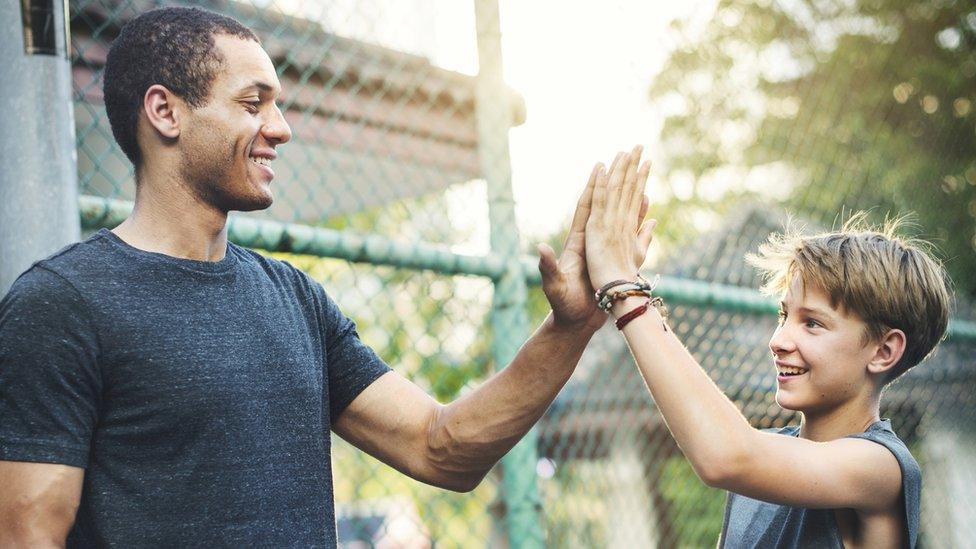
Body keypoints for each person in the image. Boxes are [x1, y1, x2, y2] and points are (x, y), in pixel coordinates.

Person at [0, 7, 647, 546]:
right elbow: (30, 532)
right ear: (166, 114)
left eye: (277, 106)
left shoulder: (296, 301)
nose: (279, 129)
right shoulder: (61, 305)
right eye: (253, 104)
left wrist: (571, 327)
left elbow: (440, 448)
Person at [579, 146, 951, 548]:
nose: (778, 340)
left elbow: (728, 456)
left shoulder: (881, 468)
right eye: (783, 316)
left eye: (812, 323)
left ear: (883, 352)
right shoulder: (760, 466)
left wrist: (624, 289)